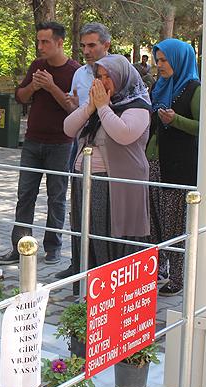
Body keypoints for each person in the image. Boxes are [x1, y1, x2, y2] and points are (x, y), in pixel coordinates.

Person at [0, 22, 80, 265]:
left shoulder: (74, 71)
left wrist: (51, 86)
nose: (40, 46)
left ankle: (53, 247)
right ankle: (20, 246)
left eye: (45, 42)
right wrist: (34, 84)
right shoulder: (36, 66)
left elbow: (71, 109)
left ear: (59, 43)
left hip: (61, 143)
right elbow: (20, 97)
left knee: (57, 196)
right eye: (38, 41)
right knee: (25, 195)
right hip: (32, 142)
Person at [62, 54, 151, 269]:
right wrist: (90, 108)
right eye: (99, 76)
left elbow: (123, 133)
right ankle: (87, 292)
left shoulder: (138, 106)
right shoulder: (99, 106)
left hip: (116, 186)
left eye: (108, 76)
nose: (102, 82)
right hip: (87, 183)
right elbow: (68, 128)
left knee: (111, 238)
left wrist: (102, 108)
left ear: (122, 77)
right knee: (89, 234)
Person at [55, 22, 111, 280]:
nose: (86, 51)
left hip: (106, 155)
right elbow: (76, 112)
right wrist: (75, 106)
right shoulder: (79, 74)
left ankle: (100, 267)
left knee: (100, 216)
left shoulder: (116, 72)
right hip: (79, 148)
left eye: (92, 45)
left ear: (106, 46)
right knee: (76, 208)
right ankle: (77, 262)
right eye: (83, 46)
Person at [146, 38, 201, 297]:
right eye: (157, 60)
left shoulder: (193, 88)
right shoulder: (160, 86)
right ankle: (157, 271)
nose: (160, 65)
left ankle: (177, 277)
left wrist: (176, 120)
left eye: (165, 60)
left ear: (179, 60)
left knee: (174, 224)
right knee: (154, 222)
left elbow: (205, 127)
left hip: (179, 166)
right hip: (155, 162)